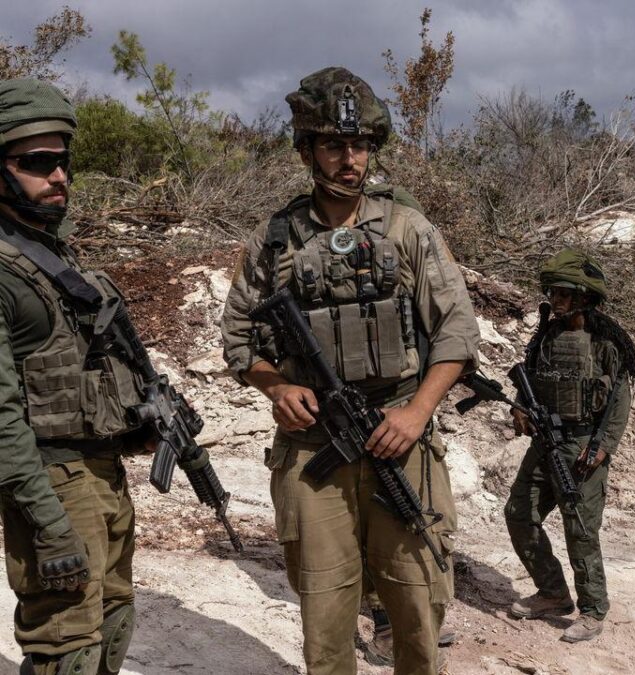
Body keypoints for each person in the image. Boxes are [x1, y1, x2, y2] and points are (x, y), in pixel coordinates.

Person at [221, 66, 479, 675]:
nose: (349, 160)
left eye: (360, 146)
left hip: (399, 441)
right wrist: (277, 385)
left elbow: (458, 332)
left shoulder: (408, 228)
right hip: (315, 450)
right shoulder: (275, 240)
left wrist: (417, 412)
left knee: (417, 607)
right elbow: (237, 338)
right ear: (307, 149)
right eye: (335, 145)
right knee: (326, 618)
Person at [0, 79, 140, 674]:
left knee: (113, 622)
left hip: (101, 470)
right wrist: (49, 524)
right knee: (66, 647)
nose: (58, 177)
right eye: (37, 163)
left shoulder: (51, 254)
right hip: (50, 483)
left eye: (63, 162)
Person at [504, 249, 635, 642]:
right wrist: (520, 408)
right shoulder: (546, 336)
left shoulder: (606, 343)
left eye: (564, 293)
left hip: (582, 446)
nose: (555, 300)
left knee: (580, 529)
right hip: (545, 442)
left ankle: (593, 610)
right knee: (518, 513)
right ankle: (552, 592)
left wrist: (601, 447)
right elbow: (531, 380)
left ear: (584, 297)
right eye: (552, 292)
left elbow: (618, 402)